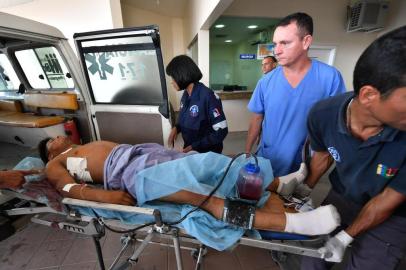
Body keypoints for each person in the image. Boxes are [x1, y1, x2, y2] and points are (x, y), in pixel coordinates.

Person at [38, 136, 341, 236]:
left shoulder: (84, 143)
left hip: (144, 153)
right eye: (51, 141)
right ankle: (293, 224)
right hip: (134, 174)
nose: (57, 138)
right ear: (51, 151)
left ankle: (279, 183)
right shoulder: (56, 163)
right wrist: (104, 196)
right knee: (202, 197)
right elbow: (68, 190)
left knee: (210, 162)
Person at [300, 26, 406, 269]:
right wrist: (302, 191)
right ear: (369, 95)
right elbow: (322, 157)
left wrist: (346, 236)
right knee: (312, 257)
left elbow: (388, 199)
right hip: (343, 194)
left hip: (394, 212)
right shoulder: (323, 114)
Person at [245, 12, 346, 184]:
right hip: (268, 159)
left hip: (303, 165)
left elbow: (334, 129)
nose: (276, 50)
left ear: (306, 41)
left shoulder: (329, 78)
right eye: (275, 43)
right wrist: (247, 152)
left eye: (285, 43)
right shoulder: (266, 82)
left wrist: (311, 182)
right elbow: (257, 118)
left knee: (292, 206)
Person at [166, 55, 228, 154]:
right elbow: (185, 118)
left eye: (173, 78)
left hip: (207, 154)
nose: (172, 82)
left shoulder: (208, 96)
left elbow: (221, 131)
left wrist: (194, 146)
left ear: (181, 75)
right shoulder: (186, 95)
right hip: (191, 151)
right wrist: (176, 128)